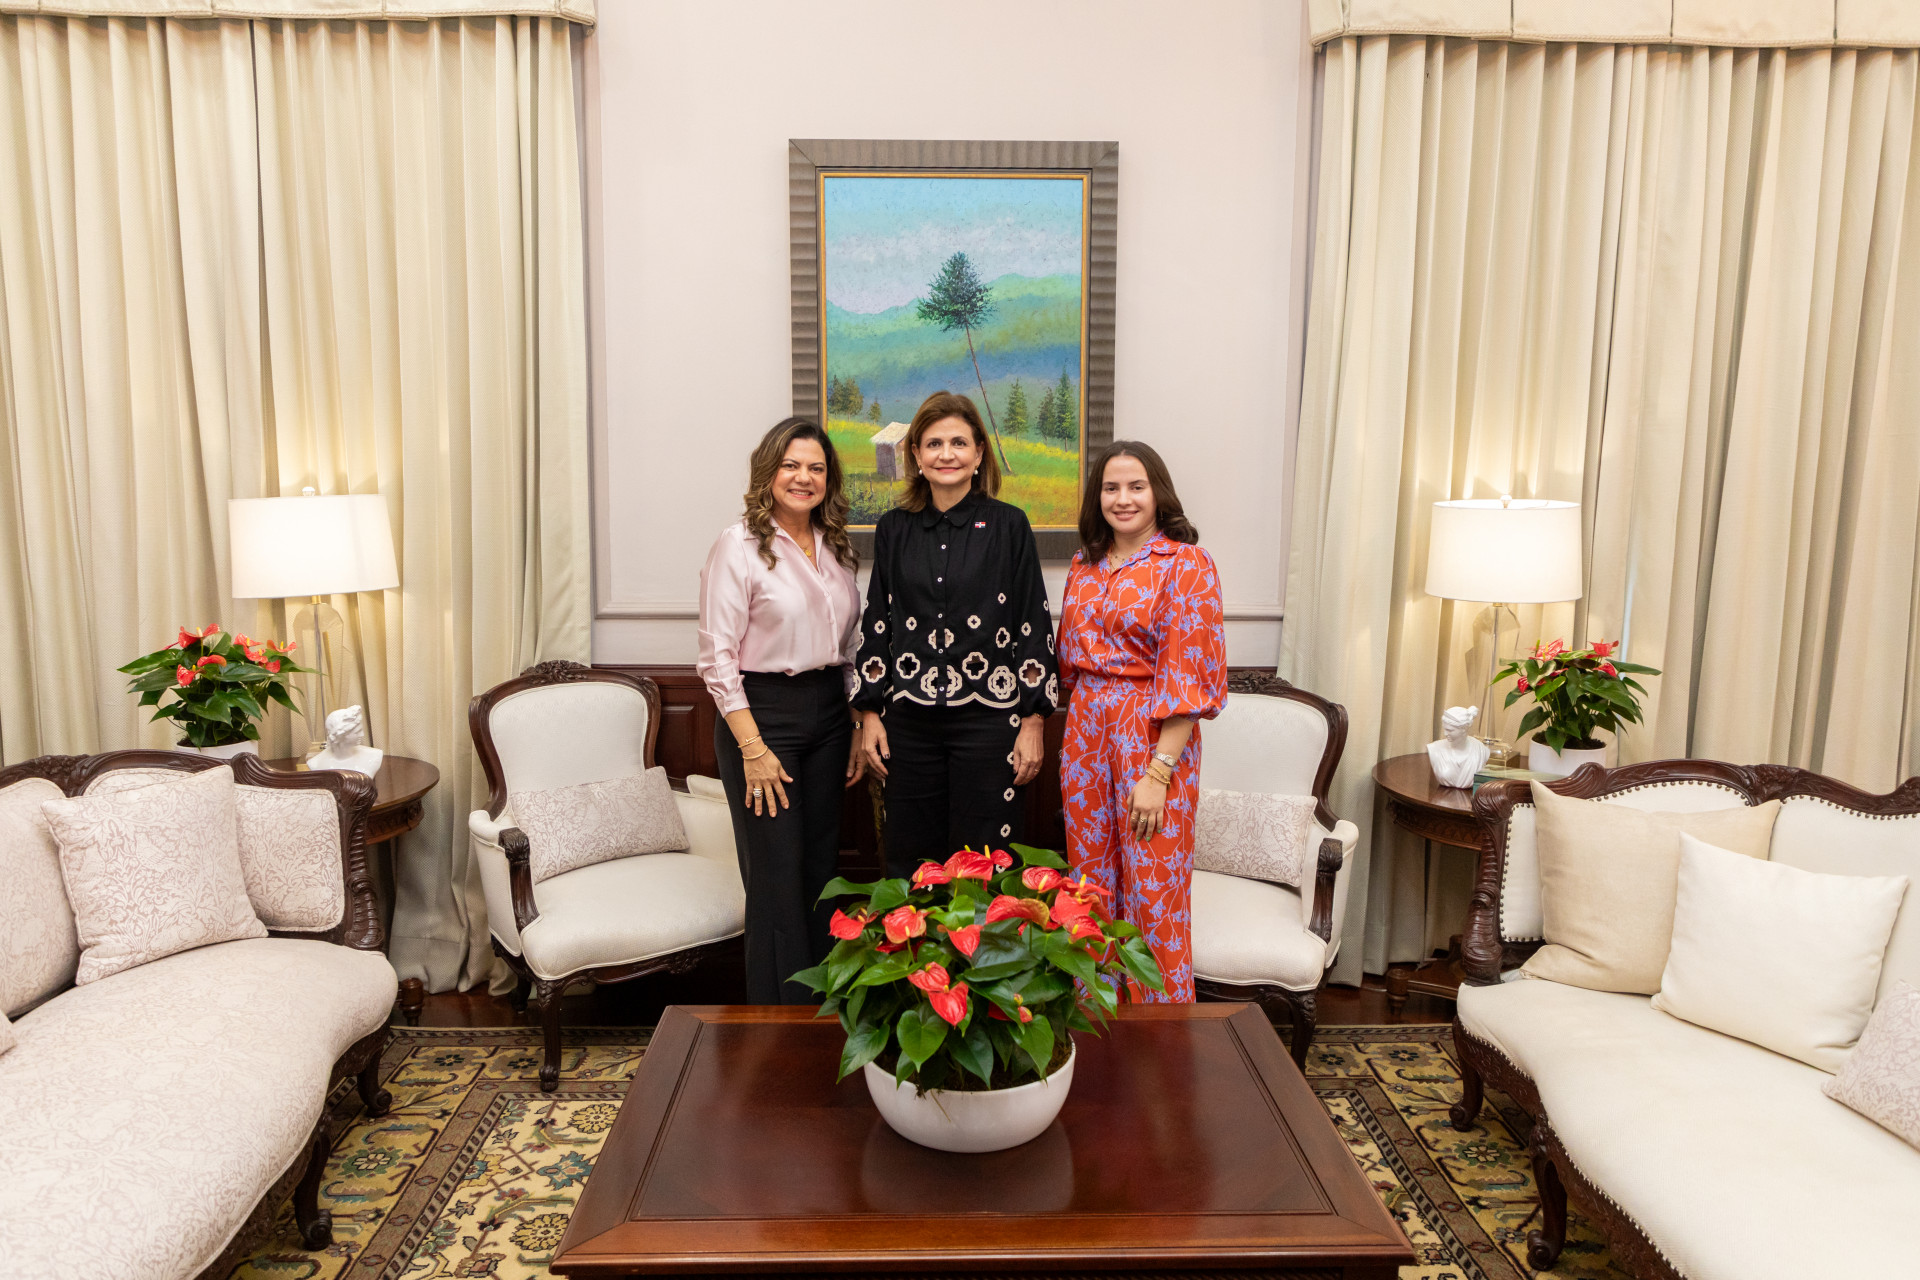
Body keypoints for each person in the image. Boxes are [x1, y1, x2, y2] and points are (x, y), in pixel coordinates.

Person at [853, 391, 1057, 878]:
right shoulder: (894, 528)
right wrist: (868, 714)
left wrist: (1034, 722)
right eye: (934, 443)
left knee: (985, 860)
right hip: (908, 723)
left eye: (959, 443)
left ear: (979, 453)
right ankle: (914, 933)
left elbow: (1033, 623)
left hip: (991, 721)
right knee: (910, 858)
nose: (947, 454)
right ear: (916, 455)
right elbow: (877, 623)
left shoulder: (1009, 525)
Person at [697, 417, 865, 1004]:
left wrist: (854, 724)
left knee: (820, 871)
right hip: (762, 716)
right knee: (776, 877)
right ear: (769, 472)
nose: (803, 477)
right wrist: (753, 748)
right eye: (791, 465)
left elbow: (850, 648)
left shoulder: (836, 547)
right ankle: (776, 1023)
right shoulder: (738, 545)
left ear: (828, 480)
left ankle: (823, 1011)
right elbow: (717, 658)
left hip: (829, 714)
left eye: (816, 468)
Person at [1056, 441, 1225, 1003]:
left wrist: (1158, 773)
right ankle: (1095, 1022)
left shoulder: (1186, 565)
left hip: (1152, 733)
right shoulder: (1083, 565)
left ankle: (1162, 1033)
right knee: (1089, 886)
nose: (1123, 499)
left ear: (1158, 494)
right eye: (1111, 488)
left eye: (1136, 487)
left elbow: (1189, 678)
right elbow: (1068, 664)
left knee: (1154, 891)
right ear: (1097, 496)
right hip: (1085, 729)